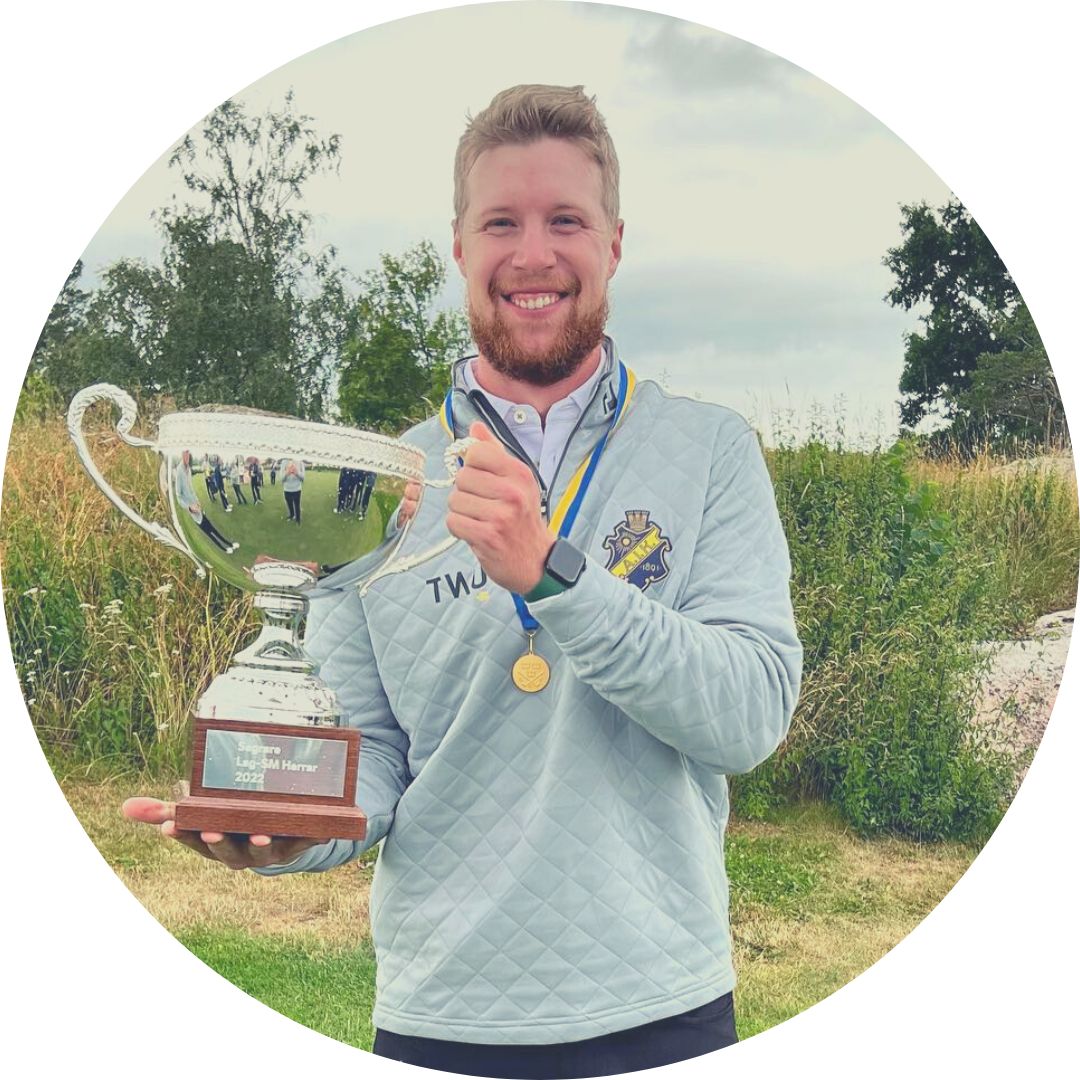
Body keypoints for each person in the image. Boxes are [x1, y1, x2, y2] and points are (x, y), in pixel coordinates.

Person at [125, 85, 801, 1078]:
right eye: (501, 223)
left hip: (663, 1003)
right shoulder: (379, 486)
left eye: (565, 220)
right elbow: (374, 757)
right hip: (442, 1013)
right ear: (458, 246)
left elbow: (749, 715)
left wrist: (556, 576)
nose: (533, 254)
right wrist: (283, 827)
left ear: (614, 243)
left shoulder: (709, 453)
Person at [174, 451, 237, 554]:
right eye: (185, 453)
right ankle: (225, 549)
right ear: (182, 454)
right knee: (210, 533)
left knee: (213, 529)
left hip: (199, 508)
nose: (187, 456)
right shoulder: (179, 471)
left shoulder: (188, 470)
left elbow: (191, 490)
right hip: (194, 513)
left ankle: (230, 544)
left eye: (188, 453)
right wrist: (189, 507)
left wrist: (198, 502)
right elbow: (179, 497)